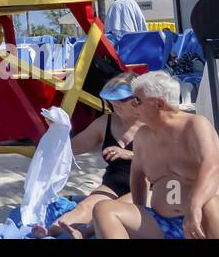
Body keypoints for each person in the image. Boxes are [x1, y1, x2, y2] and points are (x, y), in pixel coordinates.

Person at [92, 71, 219, 240]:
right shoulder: (143, 136)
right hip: (166, 222)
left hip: (216, 216)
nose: (134, 106)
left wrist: (194, 207)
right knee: (103, 209)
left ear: (159, 104)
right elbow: (138, 176)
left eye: (137, 100)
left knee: (209, 202)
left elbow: (212, 167)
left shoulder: (195, 124)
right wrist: (140, 211)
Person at [31, 74, 141, 238]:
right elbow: (72, 149)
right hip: (115, 181)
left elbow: (168, 160)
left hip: (146, 184)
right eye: (111, 98)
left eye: (120, 99)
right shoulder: (106, 122)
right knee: (86, 207)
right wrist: (58, 132)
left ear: (137, 100)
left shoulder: (154, 125)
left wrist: (130, 155)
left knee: (110, 210)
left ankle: (83, 232)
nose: (114, 103)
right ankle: (51, 231)